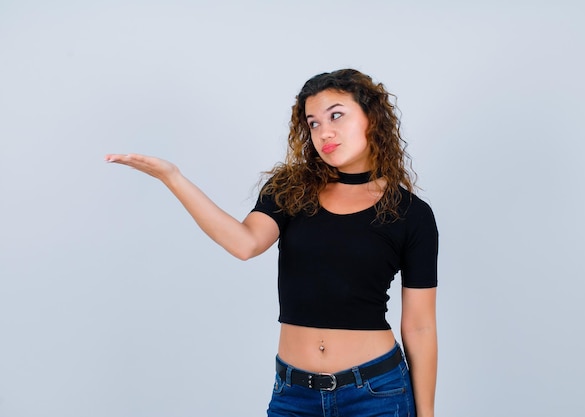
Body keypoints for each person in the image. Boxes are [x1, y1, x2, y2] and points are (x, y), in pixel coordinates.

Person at [105, 68, 438, 417]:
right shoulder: (292, 190)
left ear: (372, 117)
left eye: (336, 115)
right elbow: (244, 243)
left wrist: (426, 413)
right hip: (294, 396)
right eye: (313, 123)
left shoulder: (411, 214)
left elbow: (420, 325)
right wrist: (172, 178)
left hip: (376, 394)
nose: (324, 132)